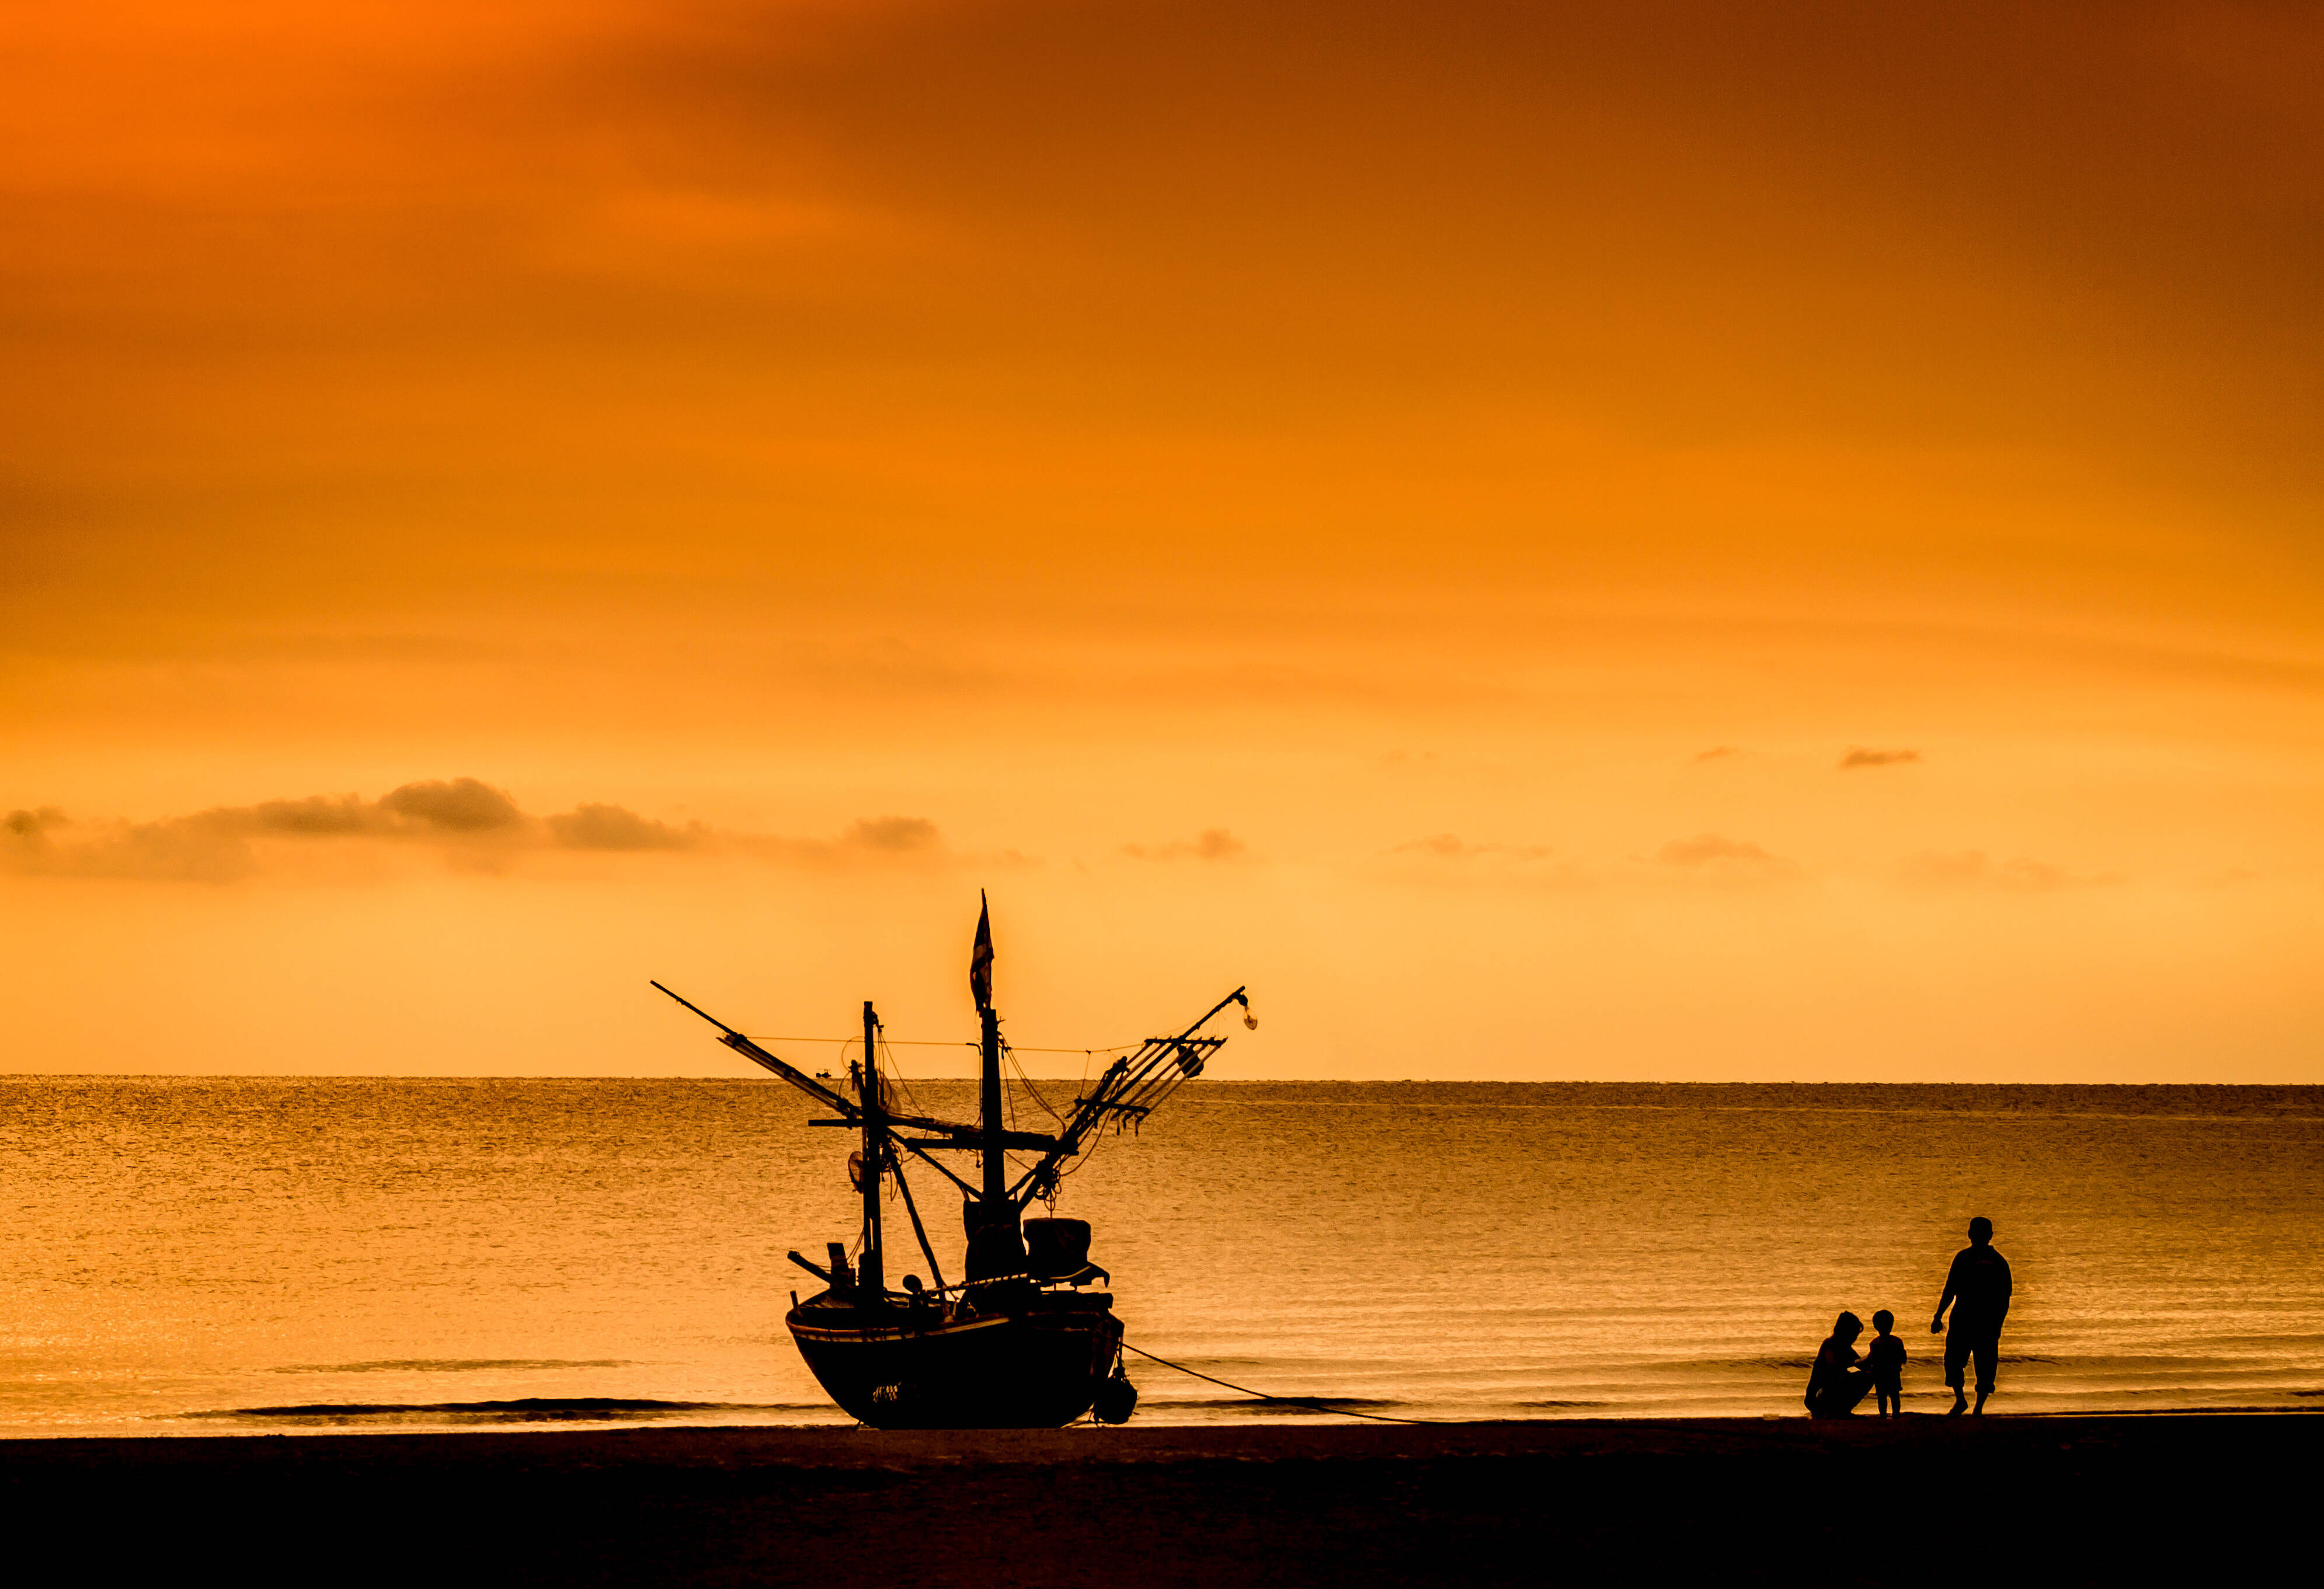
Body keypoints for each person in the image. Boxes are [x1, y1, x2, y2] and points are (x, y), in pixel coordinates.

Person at [1931, 1215, 2012, 1416]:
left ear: (1969, 1235)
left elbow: (1950, 1289)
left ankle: (1964, 1402)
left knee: (1955, 1362)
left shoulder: (1964, 1258)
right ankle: (1976, 1407)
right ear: (1991, 1235)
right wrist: (1998, 1323)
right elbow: (2005, 1297)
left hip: (1964, 1319)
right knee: (1983, 1365)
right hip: (1986, 1322)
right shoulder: (1999, 1261)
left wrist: (1939, 1315)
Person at [1803, 1311, 1876, 1418]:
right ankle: (1839, 1411)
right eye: (1854, 1334)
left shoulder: (1846, 1348)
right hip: (1816, 1397)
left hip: (1828, 1393)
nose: (1855, 1338)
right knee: (1846, 1378)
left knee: (1869, 1375)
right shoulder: (1829, 1344)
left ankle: (1842, 1410)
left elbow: (1864, 1365)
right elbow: (1834, 1367)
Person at [1864, 1309, 1906, 1417]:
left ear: (1875, 1326)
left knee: (1882, 1396)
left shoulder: (1875, 1343)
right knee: (1894, 1395)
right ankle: (1896, 1414)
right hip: (1894, 1373)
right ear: (1892, 1325)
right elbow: (1903, 1357)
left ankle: (1883, 1415)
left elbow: (1871, 1359)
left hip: (1880, 1374)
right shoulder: (1897, 1342)